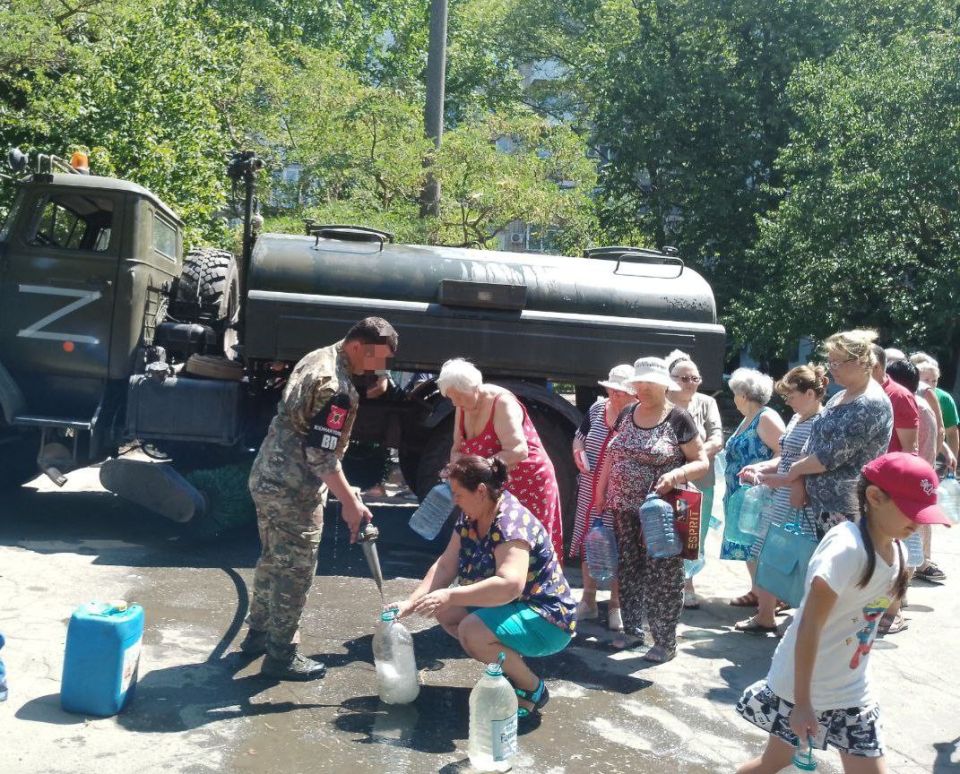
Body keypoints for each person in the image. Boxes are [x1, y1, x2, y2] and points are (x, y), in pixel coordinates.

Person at [735, 453, 951, 773]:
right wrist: (803, 703)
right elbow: (808, 626)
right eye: (911, 511)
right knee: (774, 762)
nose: (918, 522)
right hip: (802, 687)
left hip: (852, 689)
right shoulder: (845, 549)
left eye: (924, 513)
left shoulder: (901, 553)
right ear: (875, 497)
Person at [239, 317, 398, 680]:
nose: (379, 367)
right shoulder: (337, 388)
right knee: (295, 572)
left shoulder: (317, 357)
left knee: (272, 559)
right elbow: (321, 456)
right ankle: (280, 655)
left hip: (267, 475)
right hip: (293, 490)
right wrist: (350, 502)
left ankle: (257, 635)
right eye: (377, 358)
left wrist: (343, 488)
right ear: (359, 346)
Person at [390, 455, 576, 722]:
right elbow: (445, 566)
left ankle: (532, 688)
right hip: (516, 606)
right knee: (446, 611)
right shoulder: (471, 517)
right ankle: (508, 668)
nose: (454, 500)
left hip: (548, 618)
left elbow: (510, 585)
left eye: (458, 494)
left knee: (472, 631)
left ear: (480, 491)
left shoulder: (510, 523)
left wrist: (450, 594)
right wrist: (410, 603)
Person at [592, 357, 708, 660]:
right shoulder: (628, 412)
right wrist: (601, 491)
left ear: (662, 386)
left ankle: (664, 642)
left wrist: (675, 475)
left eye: (646, 383)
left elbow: (701, 461)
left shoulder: (678, 418)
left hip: (661, 513)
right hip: (623, 509)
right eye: (637, 383)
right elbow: (611, 454)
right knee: (629, 570)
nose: (639, 388)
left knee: (663, 575)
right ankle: (633, 631)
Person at [440, 358, 564, 559]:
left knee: (526, 550)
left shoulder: (502, 403)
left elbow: (517, 450)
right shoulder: (462, 405)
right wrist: (456, 468)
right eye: (451, 398)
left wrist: (475, 470)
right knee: (487, 550)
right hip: (491, 485)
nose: (455, 403)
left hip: (528, 482)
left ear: (474, 387)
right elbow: (457, 448)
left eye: (458, 397)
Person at [736, 365, 825, 633]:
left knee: (792, 558)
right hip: (781, 497)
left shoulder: (820, 422)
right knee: (766, 554)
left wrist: (778, 479)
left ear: (810, 393)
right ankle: (765, 615)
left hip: (798, 502)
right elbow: (786, 459)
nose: (787, 401)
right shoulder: (799, 418)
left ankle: (793, 619)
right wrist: (763, 468)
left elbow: (807, 466)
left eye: (791, 395)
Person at [784, 330, 893, 538]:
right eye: (830, 362)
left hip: (848, 513)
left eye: (837, 363)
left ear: (861, 361)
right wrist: (798, 480)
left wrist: (796, 470)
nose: (831, 369)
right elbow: (812, 441)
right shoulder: (840, 396)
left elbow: (830, 456)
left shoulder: (870, 403)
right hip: (822, 509)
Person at [569, 364, 636, 631]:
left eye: (622, 392)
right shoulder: (597, 409)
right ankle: (588, 600)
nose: (615, 396)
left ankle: (616, 606)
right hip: (589, 489)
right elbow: (579, 437)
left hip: (618, 494)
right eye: (612, 390)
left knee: (615, 547)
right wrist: (578, 452)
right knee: (590, 543)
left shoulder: (636, 417)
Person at [666, 350, 724, 610]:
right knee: (664, 529)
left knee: (693, 534)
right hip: (666, 477)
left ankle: (688, 583)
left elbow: (717, 438)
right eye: (684, 378)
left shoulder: (706, 403)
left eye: (695, 378)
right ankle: (662, 582)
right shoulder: (663, 403)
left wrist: (695, 456)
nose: (691, 383)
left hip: (700, 479)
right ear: (670, 379)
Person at [723, 368, 785, 608]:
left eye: (735, 393)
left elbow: (785, 452)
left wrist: (760, 468)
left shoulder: (766, 417)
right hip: (740, 492)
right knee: (746, 543)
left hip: (759, 493)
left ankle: (772, 596)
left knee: (758, 543)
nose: (733, 397)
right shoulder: (747, 417)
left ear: (744, 394)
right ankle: (757, 590)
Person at [909, 352, 954, 583]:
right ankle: (917, 560)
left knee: (922, 510)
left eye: (934, 380)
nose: (930, 385)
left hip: (923, 461)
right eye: (926, 379)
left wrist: (939, 454)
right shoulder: (915, 393)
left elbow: (943, 430)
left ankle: (922, 560)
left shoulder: (931, 396)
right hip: (917, 459)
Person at [870, 345, 918, 454]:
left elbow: (909, 449)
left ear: (876, 367)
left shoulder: (900, 396)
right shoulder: (850, 393)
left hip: (886, 469)